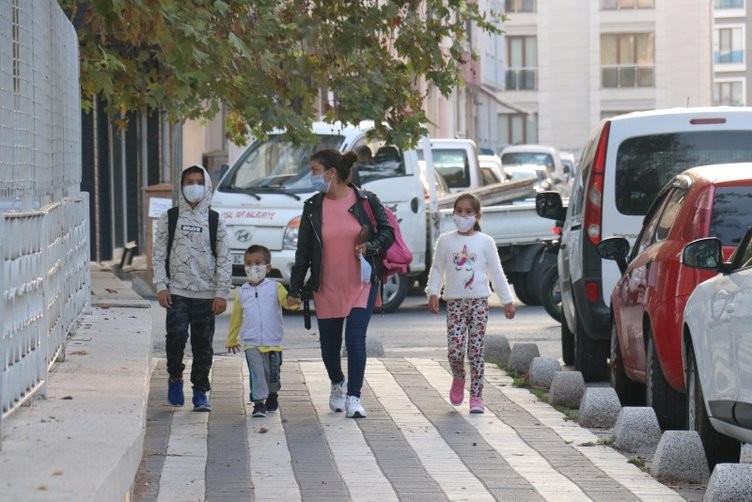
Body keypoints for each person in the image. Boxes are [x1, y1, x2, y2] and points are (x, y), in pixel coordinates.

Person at [287, 149, 394, 419]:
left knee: (355, 339)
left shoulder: (365, 200)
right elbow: (303, 251)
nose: (311, 176)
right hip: (327, 285)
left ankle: (354, 397)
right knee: (329, 347)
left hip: (361, 282)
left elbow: (387, 231)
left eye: (314, 170)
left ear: (330, 173)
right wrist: (295, 288)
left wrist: (370, 246)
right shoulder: (313, 207)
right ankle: (337, 383)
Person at [425, 192, 516, 414]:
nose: (463, 216)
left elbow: (496, 272)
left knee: (476, 351)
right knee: (455, 351)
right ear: (453, 213)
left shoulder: (485, 242)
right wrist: (433, 292)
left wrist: (507, 300)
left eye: (468, 212)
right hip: (455, 304)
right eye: (459, 211)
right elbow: (438, 269)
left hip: (479, 303)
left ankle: (477, 396)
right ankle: (458, 377)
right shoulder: (445, 241)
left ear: (477, 215)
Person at [153, 164, 232, 412]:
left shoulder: (215, 220)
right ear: (181, 185)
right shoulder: (171, 217)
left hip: (206, 295)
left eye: (199, 181)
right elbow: (158, 252)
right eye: (189, 181)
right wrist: (161, 285)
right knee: (175, 338)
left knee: (202, 345)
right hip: (176, 292)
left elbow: (225, 257)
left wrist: (221, 293)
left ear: (207, 185)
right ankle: (175, 377)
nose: (194, 186)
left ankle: (200, 391)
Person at [226, 244, 298, 418]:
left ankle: (273, 393)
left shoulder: (275, 287)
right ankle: (259, 403)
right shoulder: (242, 292)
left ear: (268, 267)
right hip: (251, 343)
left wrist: (294, 301)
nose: (253, 267)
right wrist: (232, 338)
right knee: (257, 373)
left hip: (273, 343)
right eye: (248, 264)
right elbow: (236, 317)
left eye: (257, 263)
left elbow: (286, 302)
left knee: (273, 376)